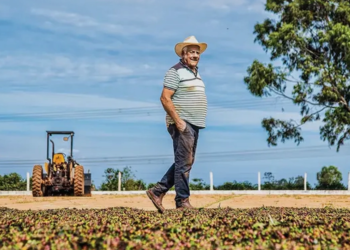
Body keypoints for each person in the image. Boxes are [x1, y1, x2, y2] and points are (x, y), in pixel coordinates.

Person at [146, 36, 208, 213]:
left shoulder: (195, 73)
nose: (195, 55)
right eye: (191, 52)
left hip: (194, 123)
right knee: (184, 163)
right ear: (183, 54)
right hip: (183, 122)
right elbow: (165, 98)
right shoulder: (175, 71)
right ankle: (182, 201)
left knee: (186, 161)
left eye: (197, 52)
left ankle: (157, 191)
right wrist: (179, 121)